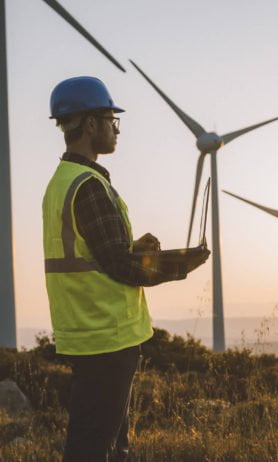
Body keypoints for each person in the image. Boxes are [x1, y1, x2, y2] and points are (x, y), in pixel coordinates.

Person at [42, 76, 210, 461]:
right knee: (93, 448)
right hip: (106, 336)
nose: (115, 129)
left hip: (87, 332)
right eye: (110, 120)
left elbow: (91, 253)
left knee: (108, 445)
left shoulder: (62, 182)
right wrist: (179, 264)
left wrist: (132, 247)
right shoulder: (88, 185)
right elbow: (120, 267)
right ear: (90, 125)